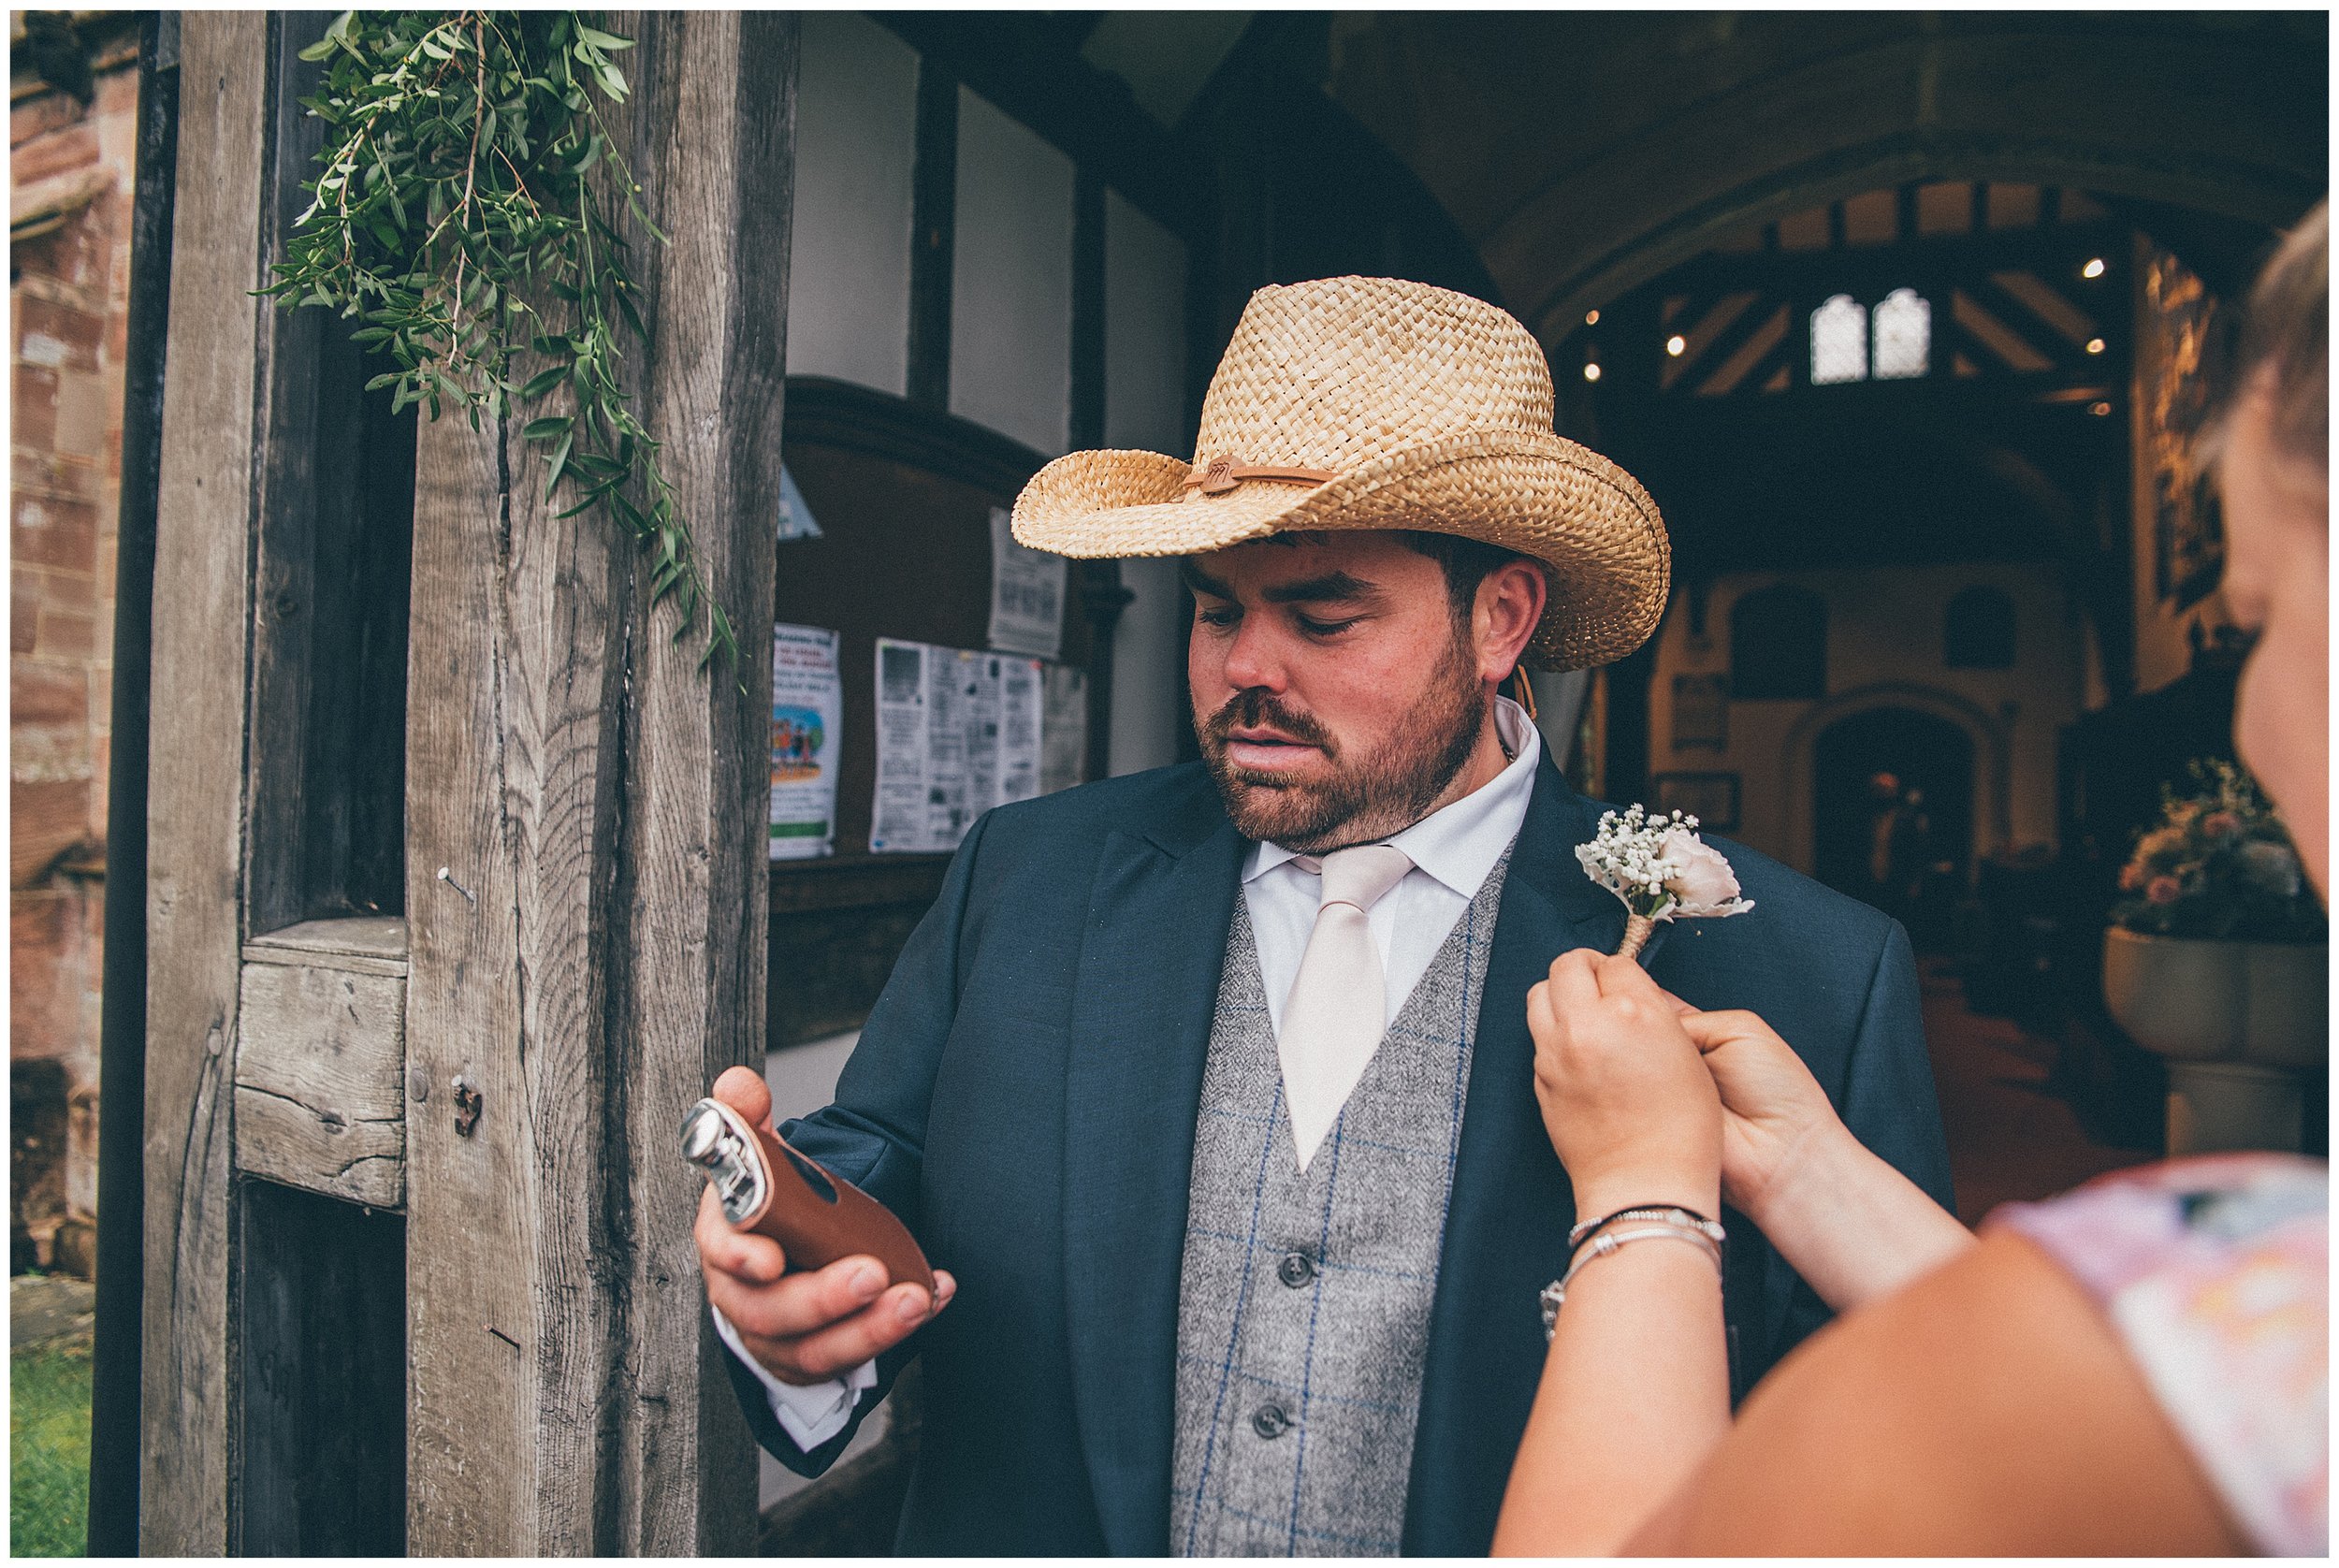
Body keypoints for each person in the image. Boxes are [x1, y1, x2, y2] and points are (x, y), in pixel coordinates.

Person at [693, 275, 1954, 1554]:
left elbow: (1902, 1446)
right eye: (1216, 609)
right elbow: (876, 1166)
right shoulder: (1030, 876)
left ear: (1501, 619)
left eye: (1323, 617)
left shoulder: (1799, 972)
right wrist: (791, 1292)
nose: (1246, 668)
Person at [1493, 201, 2328, 1557]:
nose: (2247, 714)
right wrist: (1817, 1174)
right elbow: (2146, 1368)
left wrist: (1646, 1191)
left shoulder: (2233, 1302)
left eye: (2263, 618)